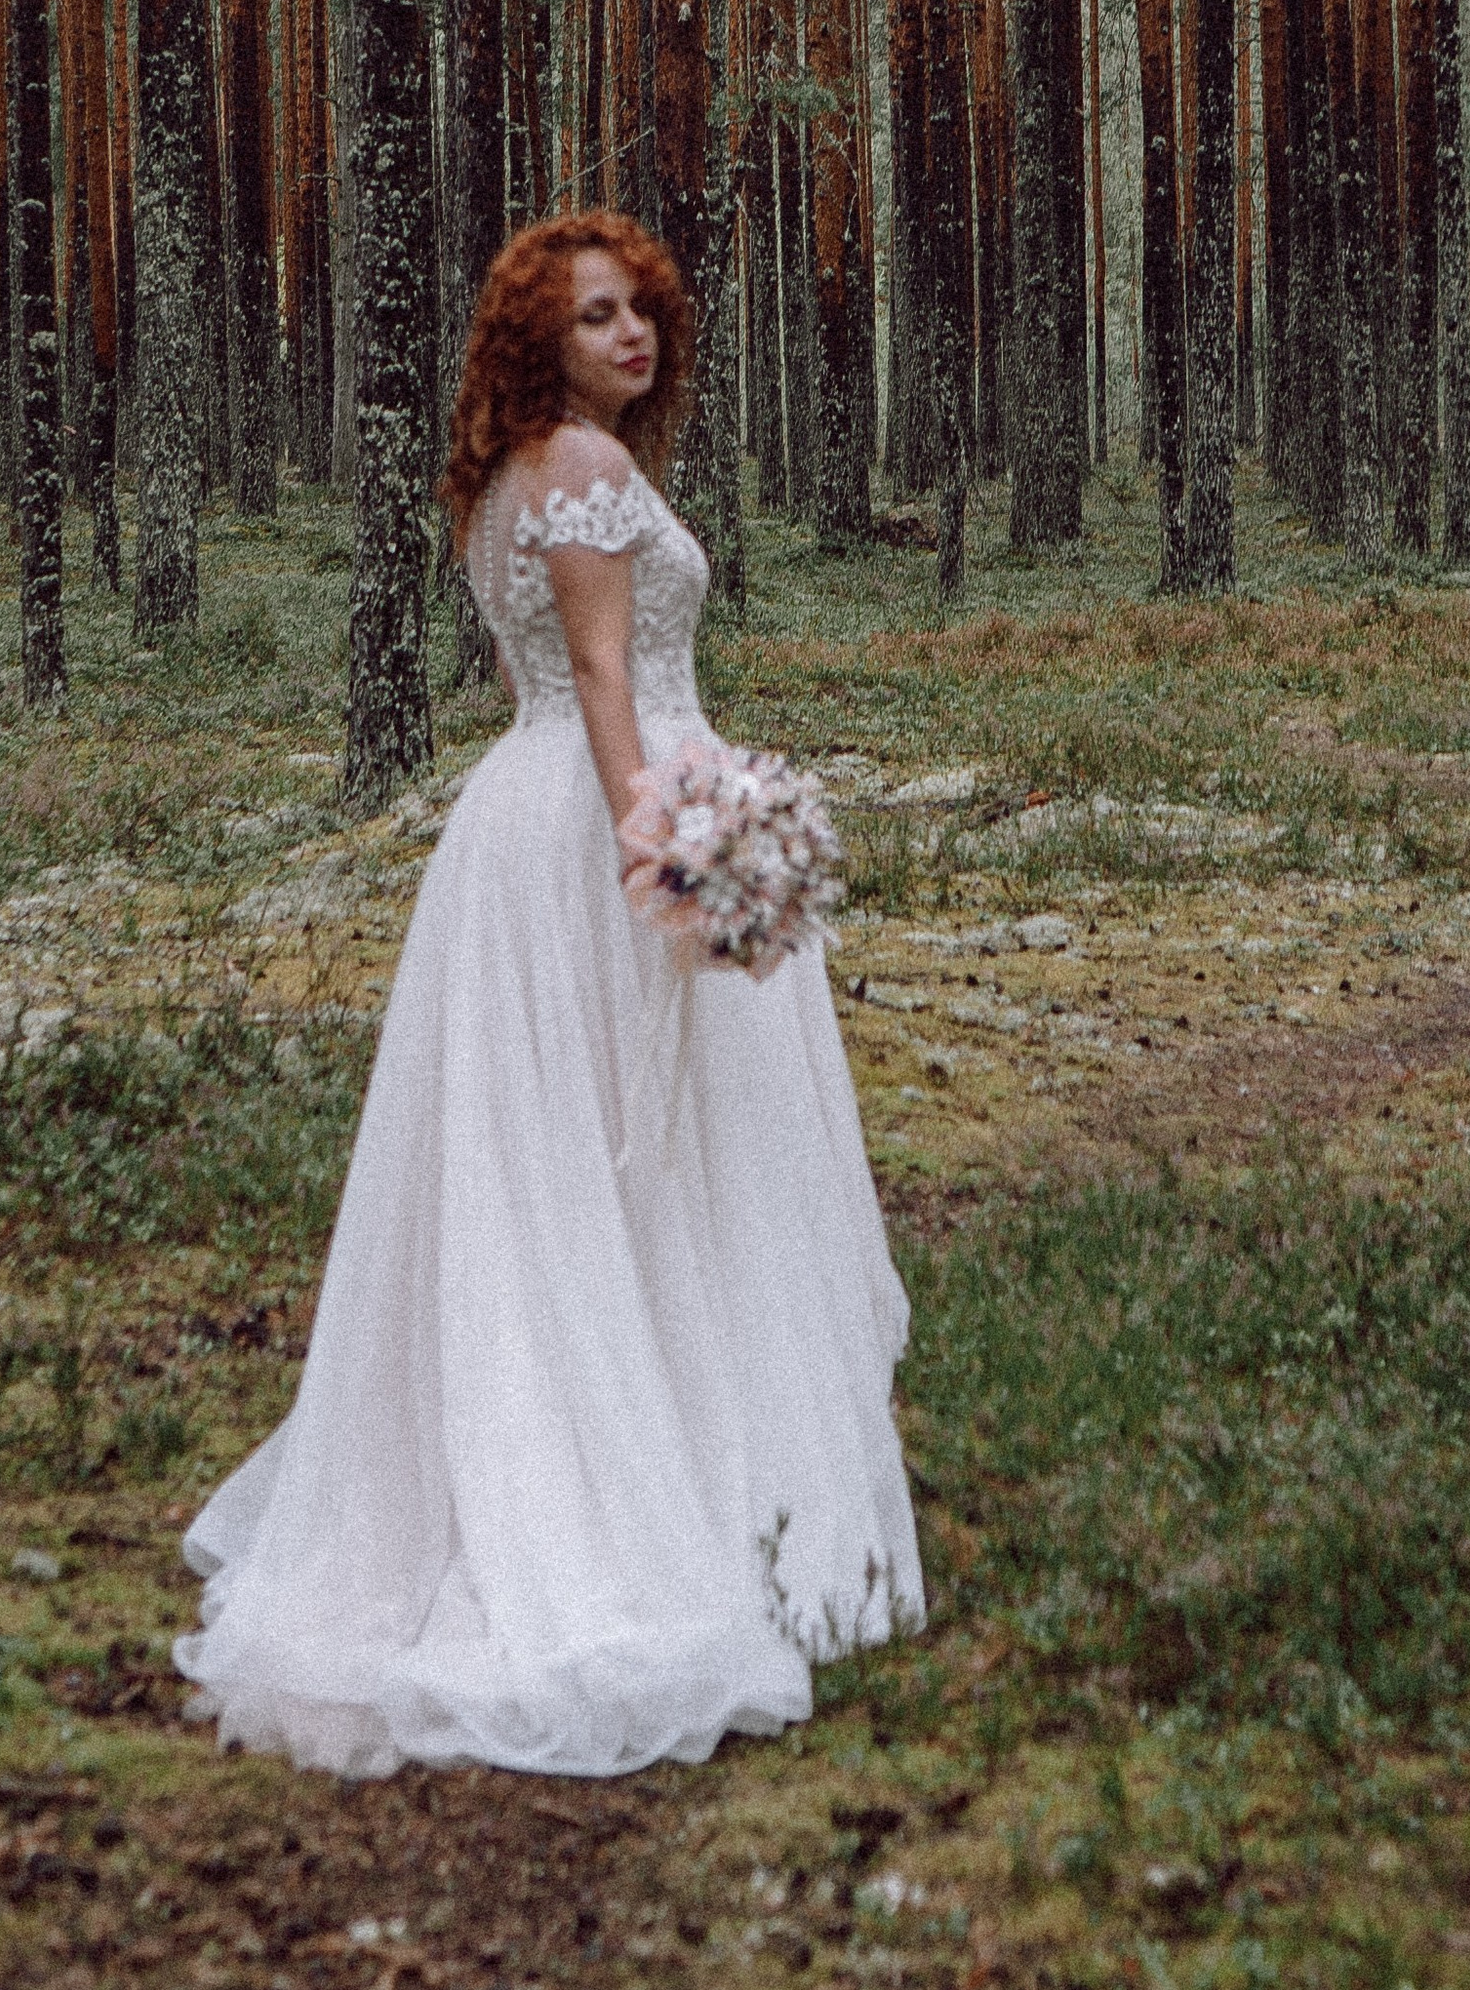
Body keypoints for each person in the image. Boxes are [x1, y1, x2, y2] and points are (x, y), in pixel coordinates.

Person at [176, 209, 921, 1777]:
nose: (631, 336)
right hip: (599, 818)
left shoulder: (522, 474)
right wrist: (671, 853)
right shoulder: (579, 474)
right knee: (628, 1156)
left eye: (640, 310)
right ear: (540, 341)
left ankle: (644, 1456)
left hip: (538, 830)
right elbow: (595, 678)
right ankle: (657, 1503)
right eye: (595, 317)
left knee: (581, 1170)